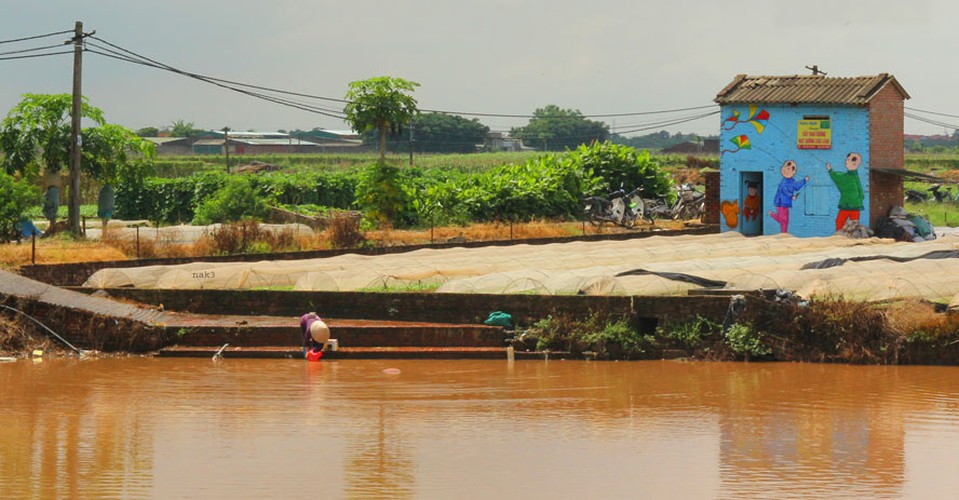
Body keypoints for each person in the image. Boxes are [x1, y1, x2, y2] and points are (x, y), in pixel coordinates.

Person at [827, 152, 865, 232]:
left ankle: (840, 236)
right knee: (853, 224)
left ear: (854, 163)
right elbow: (861, 192)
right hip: (855, 205)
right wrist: (859, 200)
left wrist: (830, 170)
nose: (846, 161)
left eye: (848, 160)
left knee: (840, 222)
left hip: (847, 204)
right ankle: (850, 237)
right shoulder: (854, 176)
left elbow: (837, 177)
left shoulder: (849, 177)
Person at [768, 160, 808, 234]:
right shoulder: (784, 181)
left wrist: (804, 181)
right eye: (785, 167)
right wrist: (791, 196)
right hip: (780, 202)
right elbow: (784, 190)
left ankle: (773, 216)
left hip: (785, 203)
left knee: (784, 219)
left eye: (789, 169)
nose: (786, 170)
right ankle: (783, 233)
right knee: (784, 219)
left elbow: (796, 187)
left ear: (794, 172)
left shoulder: (791, 181)